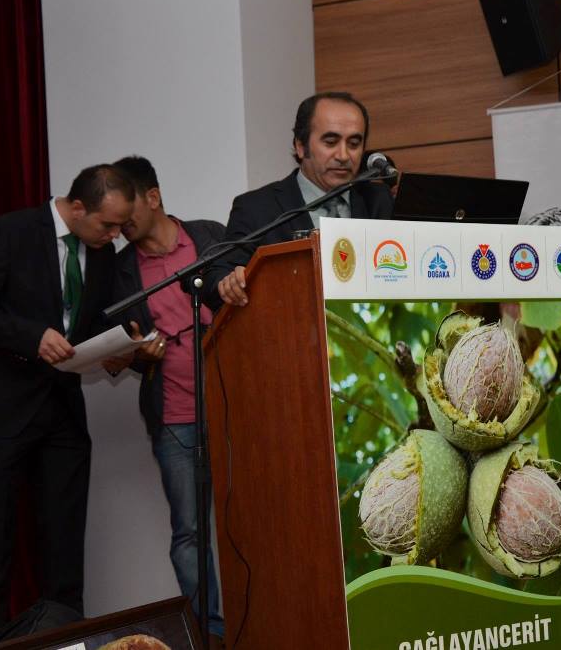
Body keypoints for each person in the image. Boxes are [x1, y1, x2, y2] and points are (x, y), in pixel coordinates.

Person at [0, 164, 135, 645]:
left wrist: (117, 350)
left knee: (64, 535)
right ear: (76, 208)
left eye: (120, 226)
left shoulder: (101, 251)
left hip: (63, 411)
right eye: (107, 225)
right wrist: (31, 337)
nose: (115, 236)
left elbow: (90, 321)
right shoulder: (10, 232)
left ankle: (66, 639)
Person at [103, 155, 226, 643]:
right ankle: (211, 633)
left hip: (237, 412)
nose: (119, 224)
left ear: (152, 197)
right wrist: (139, 356)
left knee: (253, 518)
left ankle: (260, 621)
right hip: (175, 421)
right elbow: (119, 342)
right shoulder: (121, 269)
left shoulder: (211, 237)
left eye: (126, 211)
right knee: (189, 534)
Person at [203, 91, 393, 309]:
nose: (343, 155)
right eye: (331, 142)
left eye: (353, 144)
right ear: (301, 146)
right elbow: (218, 275)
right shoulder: (257, 207)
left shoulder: (379, 200)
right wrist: (229, 282)